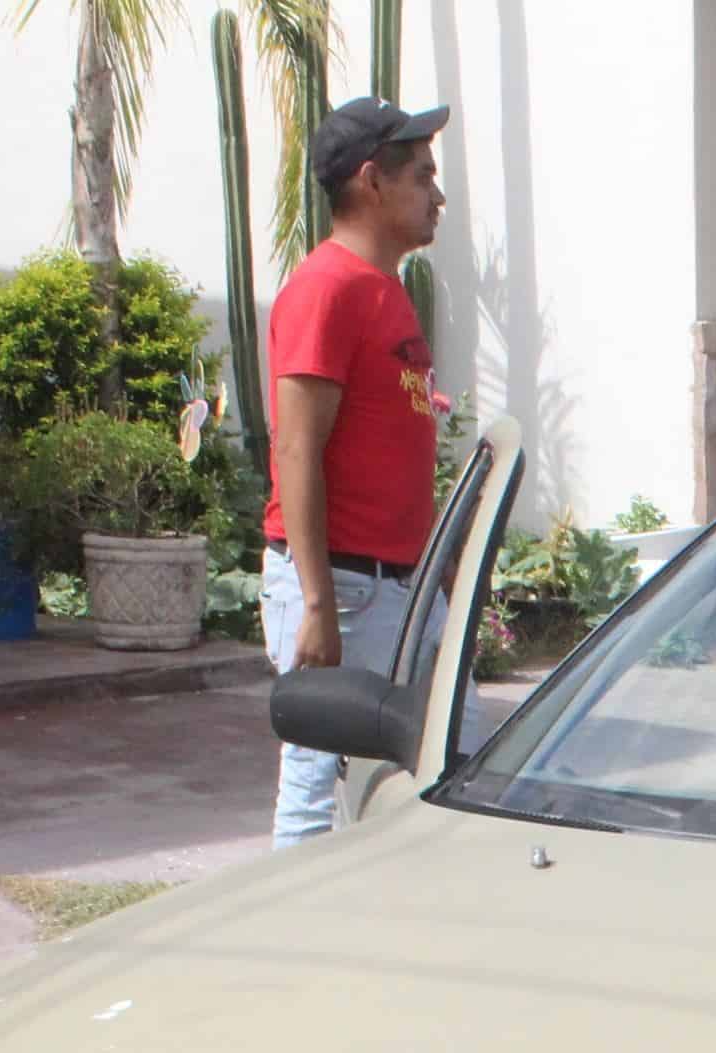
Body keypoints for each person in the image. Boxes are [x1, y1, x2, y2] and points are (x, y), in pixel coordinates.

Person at [262, 93, 450, 845]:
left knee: (431, 774)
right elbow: (296, 448)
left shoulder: (385, 288)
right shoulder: (327, 287)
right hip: (342, 586)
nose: (437, 195)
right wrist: (316, 604)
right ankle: (295, 957)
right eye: (423, 175)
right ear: (373, 182)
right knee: (313, 795)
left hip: (397, 588)